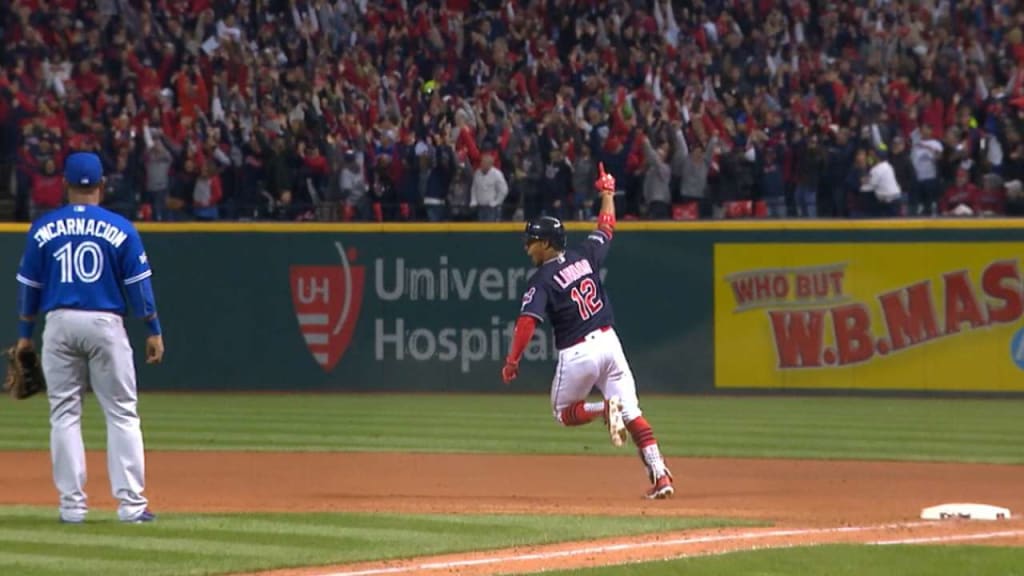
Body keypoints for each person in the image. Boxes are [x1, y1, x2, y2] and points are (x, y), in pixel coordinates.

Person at [501, 163, 674, 500]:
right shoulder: (586, 253)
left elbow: (526, 323)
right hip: (610, 342)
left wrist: (512, 361)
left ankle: (602, 408)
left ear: (548, 244)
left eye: (532, 241)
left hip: (578, 351)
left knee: (563, 414)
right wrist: (608, 192)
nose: (527, 247)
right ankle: (661, 476)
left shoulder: (542, 280)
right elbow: (606, 226)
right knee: (633, 412)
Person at [15, 152, 164, 524]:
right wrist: (153, 329)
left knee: (64, 414)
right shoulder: (121, 228)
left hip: (60, 322)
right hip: (104, 323)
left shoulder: (43, 227)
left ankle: (72, 507)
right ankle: (131, 507)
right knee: (122, 414)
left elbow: (29, 287)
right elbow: (139, 286)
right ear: (101, 185)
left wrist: (24, 336)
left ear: (65, 185)